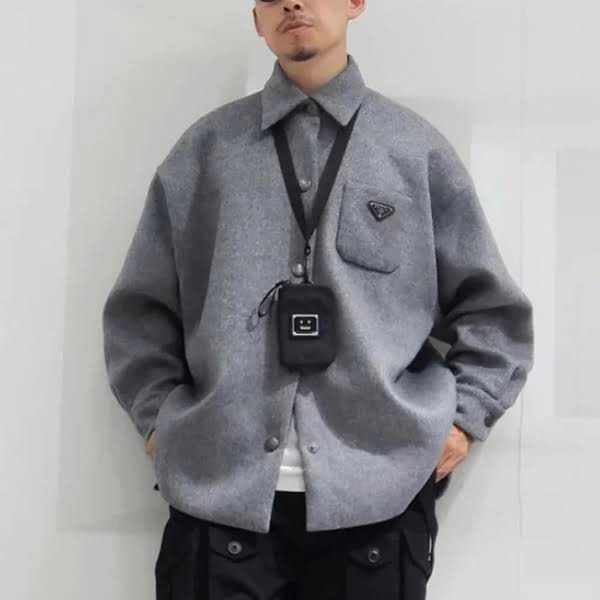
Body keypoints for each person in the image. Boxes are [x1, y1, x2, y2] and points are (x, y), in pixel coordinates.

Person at [101, 0, 535, 598]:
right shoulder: (206, 150)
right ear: (257, 19)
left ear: (355, 3)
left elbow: (494, 315)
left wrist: (464, 421)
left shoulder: (416, 150)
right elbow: (139, 311)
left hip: (377, 505)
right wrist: (158, 420)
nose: (293, 3)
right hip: (218, 498)